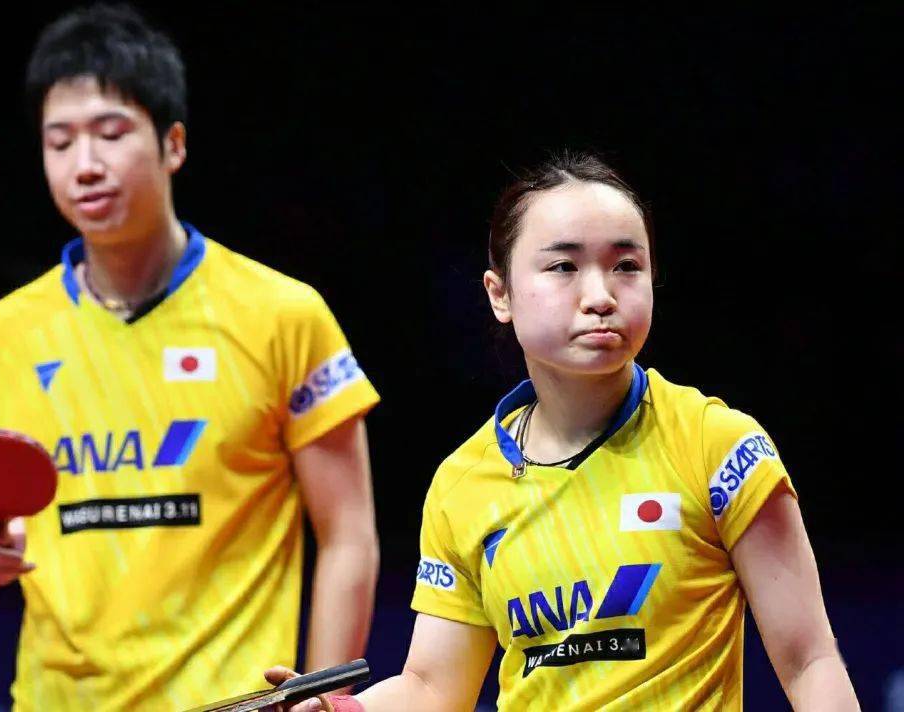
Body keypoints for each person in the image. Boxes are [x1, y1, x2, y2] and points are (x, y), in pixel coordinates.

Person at [266, 153, 858, 710]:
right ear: (500, 295)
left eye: (627, 266)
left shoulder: (718, 446)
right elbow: (432, 687)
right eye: (563, 267)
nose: (600, 296)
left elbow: (810, 660)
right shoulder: (463, 485)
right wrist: (343, 707)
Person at [0, 5, 380, 709]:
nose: (85, 165)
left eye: (111, 134)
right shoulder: (6, 332)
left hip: (232, 704)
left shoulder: (283, 314)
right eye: (59, 142)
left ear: (173, 144)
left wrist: (324, 698)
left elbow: (349, 535)